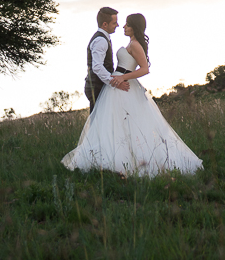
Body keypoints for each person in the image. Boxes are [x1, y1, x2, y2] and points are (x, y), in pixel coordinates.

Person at [63, 12, 203, 177]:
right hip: (115, 86)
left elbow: (144, 69)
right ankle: (109, 160)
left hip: (124, 86)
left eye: (127, 25)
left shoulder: (135, 45)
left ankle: (126, 163)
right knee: (113, 124)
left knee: (126, 124)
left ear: (134, 27)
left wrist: (122, 77)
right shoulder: (130, 42)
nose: (123, 27)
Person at [84, 6, 130, 112]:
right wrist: (115, 82)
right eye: (114, 23)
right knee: (98, 124)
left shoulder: (103, 38)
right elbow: (97, 66)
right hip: (97, 87)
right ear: (105, 24)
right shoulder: (100, 40)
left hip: (99, 86)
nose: (117, 25)